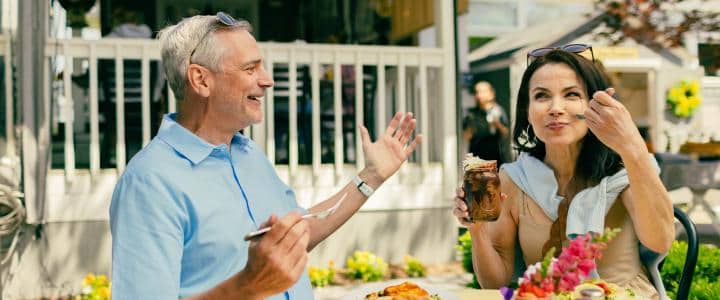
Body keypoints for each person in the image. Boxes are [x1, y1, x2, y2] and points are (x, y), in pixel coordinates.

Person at [109, 12, 422, 299]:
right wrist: (247, 285)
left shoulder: (246, 154)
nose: (268, 79)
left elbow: (299, 232)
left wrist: (371, 176)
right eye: (250, 68)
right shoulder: (150, 182)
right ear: (201, 80)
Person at [453, 48, 674, 298]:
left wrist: (633, 147)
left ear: (596, 104)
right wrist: (478, 230)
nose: (555, 108)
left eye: (571, 94)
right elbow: (494, 283)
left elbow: (661, 241)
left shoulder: (625, 172)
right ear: (527, 110)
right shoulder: (514, 179)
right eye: (541, 96)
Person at [462, 81, 510, 164]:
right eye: (477, 92)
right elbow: (466, 136)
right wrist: (472, 127)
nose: (479, 95)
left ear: (491, 93)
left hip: (495, 157)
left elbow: (506, 133)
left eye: (482, 92)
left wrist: (497, 124)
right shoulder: (471, 114)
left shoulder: (498, 111)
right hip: (476, 159)